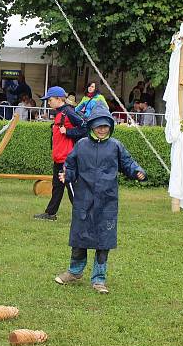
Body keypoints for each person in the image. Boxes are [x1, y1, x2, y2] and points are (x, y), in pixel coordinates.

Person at [54, 107, 146, 293]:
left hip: (107, 200)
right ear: (91, 127)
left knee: (104, 239)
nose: (102, 129)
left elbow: (127, 163)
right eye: (98, 126)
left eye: (105, 126)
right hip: (84, 198)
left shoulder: (115, 145)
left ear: (110, 127)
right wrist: (67, 175)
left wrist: (137, 171)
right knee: (80, 237)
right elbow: (70, 165)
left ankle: (99, 279)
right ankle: (74, 272)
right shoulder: (81, 145)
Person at [34, 86, 86, 221]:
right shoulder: (60, 112)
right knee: (57, 188)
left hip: (67, 158)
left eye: (50, 100)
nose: (48, 103)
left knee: (71, 188)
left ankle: (82, 216)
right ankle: (50, 213)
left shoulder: (69, 112)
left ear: (58, 99)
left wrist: (68, 132)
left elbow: (85, 128)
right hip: (59, 158)